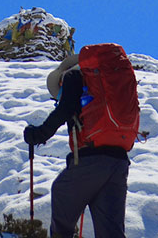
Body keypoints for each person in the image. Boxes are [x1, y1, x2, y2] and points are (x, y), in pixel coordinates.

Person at [23, 45, 138, 238]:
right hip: (118, 161)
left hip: (90, 157)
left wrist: (39, 134)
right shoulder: (106, 81)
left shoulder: (73, 77)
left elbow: (65, 109)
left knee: (61, 191)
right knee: (111, 230)